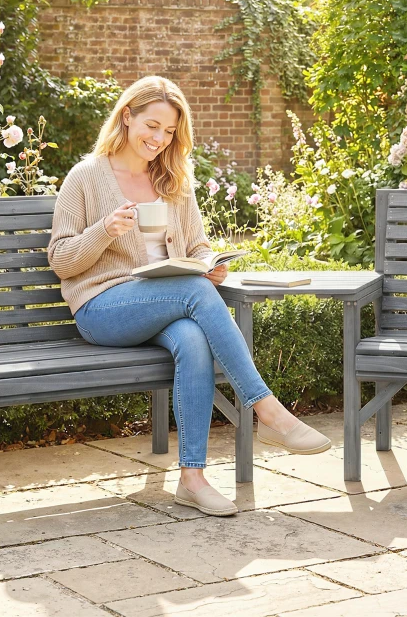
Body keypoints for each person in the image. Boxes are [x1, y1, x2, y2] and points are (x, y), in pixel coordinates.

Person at [48, 75, 331, 517]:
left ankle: (192, 480)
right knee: (195, 291)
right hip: (103, 308)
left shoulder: (172, 179)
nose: (159, 139)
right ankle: (268, 411)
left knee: (194, 339)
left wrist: (210, 263)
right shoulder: (86, 177)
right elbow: (62, 260)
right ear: (127, 116)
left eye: (169, 131)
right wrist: (104, 231)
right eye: (152, 125)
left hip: (166, 301)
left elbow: (196, 245)